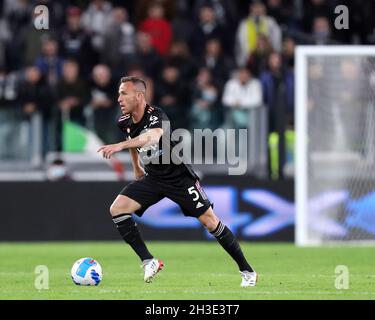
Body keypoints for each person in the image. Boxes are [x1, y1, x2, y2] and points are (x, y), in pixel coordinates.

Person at [97, 76, 257, 286]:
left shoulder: (157, 116)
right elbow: (132, 140)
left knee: (210, 222)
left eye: (123, 93)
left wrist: (118, 147)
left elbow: (151, 137)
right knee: (117, 209)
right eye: (118, 93)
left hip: (179, 178)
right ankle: (148, 261)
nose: (119, 98)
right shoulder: (124, 121)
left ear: (139, 96)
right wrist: (136, 167)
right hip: (153, 178)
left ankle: (247, 271)